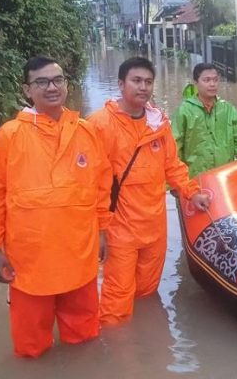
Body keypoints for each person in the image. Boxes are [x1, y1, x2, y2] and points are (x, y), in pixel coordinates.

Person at [0, 56, 113, 357]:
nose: (52, 87)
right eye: (42, 82)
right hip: (30, 260)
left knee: (85, 339)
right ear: (27, 90)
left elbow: (102, 187)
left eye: (58, 80)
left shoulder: (86, 131)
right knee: (30, 347)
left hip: (79, 253)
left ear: (66, 84)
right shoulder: (11, 135)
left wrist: (103, 231)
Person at [88, 57, 210, 325]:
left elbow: (173, 167)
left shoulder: (158, 124)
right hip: (119, 228)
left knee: (146, 294)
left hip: (154, 227)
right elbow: (92, 184)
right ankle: (118, 357)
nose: (143, 87)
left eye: (148, 82)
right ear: (121, 84)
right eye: (136, 80)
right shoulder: (99, 125)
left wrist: (192, 193)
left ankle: (145, 343)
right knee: (116, 304)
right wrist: (100, 230)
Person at [171, 63, 237, 179]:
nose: (212, 84)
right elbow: (174, 149)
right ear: (195, 82)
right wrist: (176, 183)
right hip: (194, 183)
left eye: (215, 80)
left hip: (224, 179)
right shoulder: (184, 111)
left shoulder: (228, 110)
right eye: (207, 80)